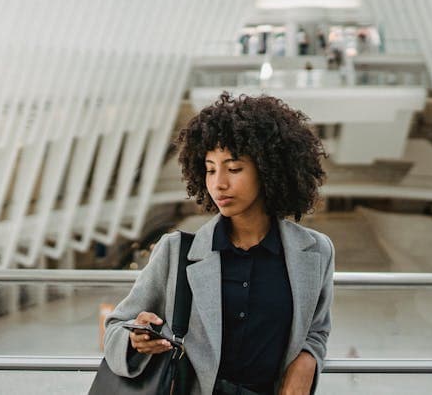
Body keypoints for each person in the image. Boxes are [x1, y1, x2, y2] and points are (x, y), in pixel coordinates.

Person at [102, 93, 335, 395]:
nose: (218, 183)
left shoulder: (315, 251)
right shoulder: (176, 251)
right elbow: (117, 327)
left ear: (269, 169)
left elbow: (316, 329)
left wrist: (307, 361)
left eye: (233, 169)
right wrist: (136, 338)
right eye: (210, 169)